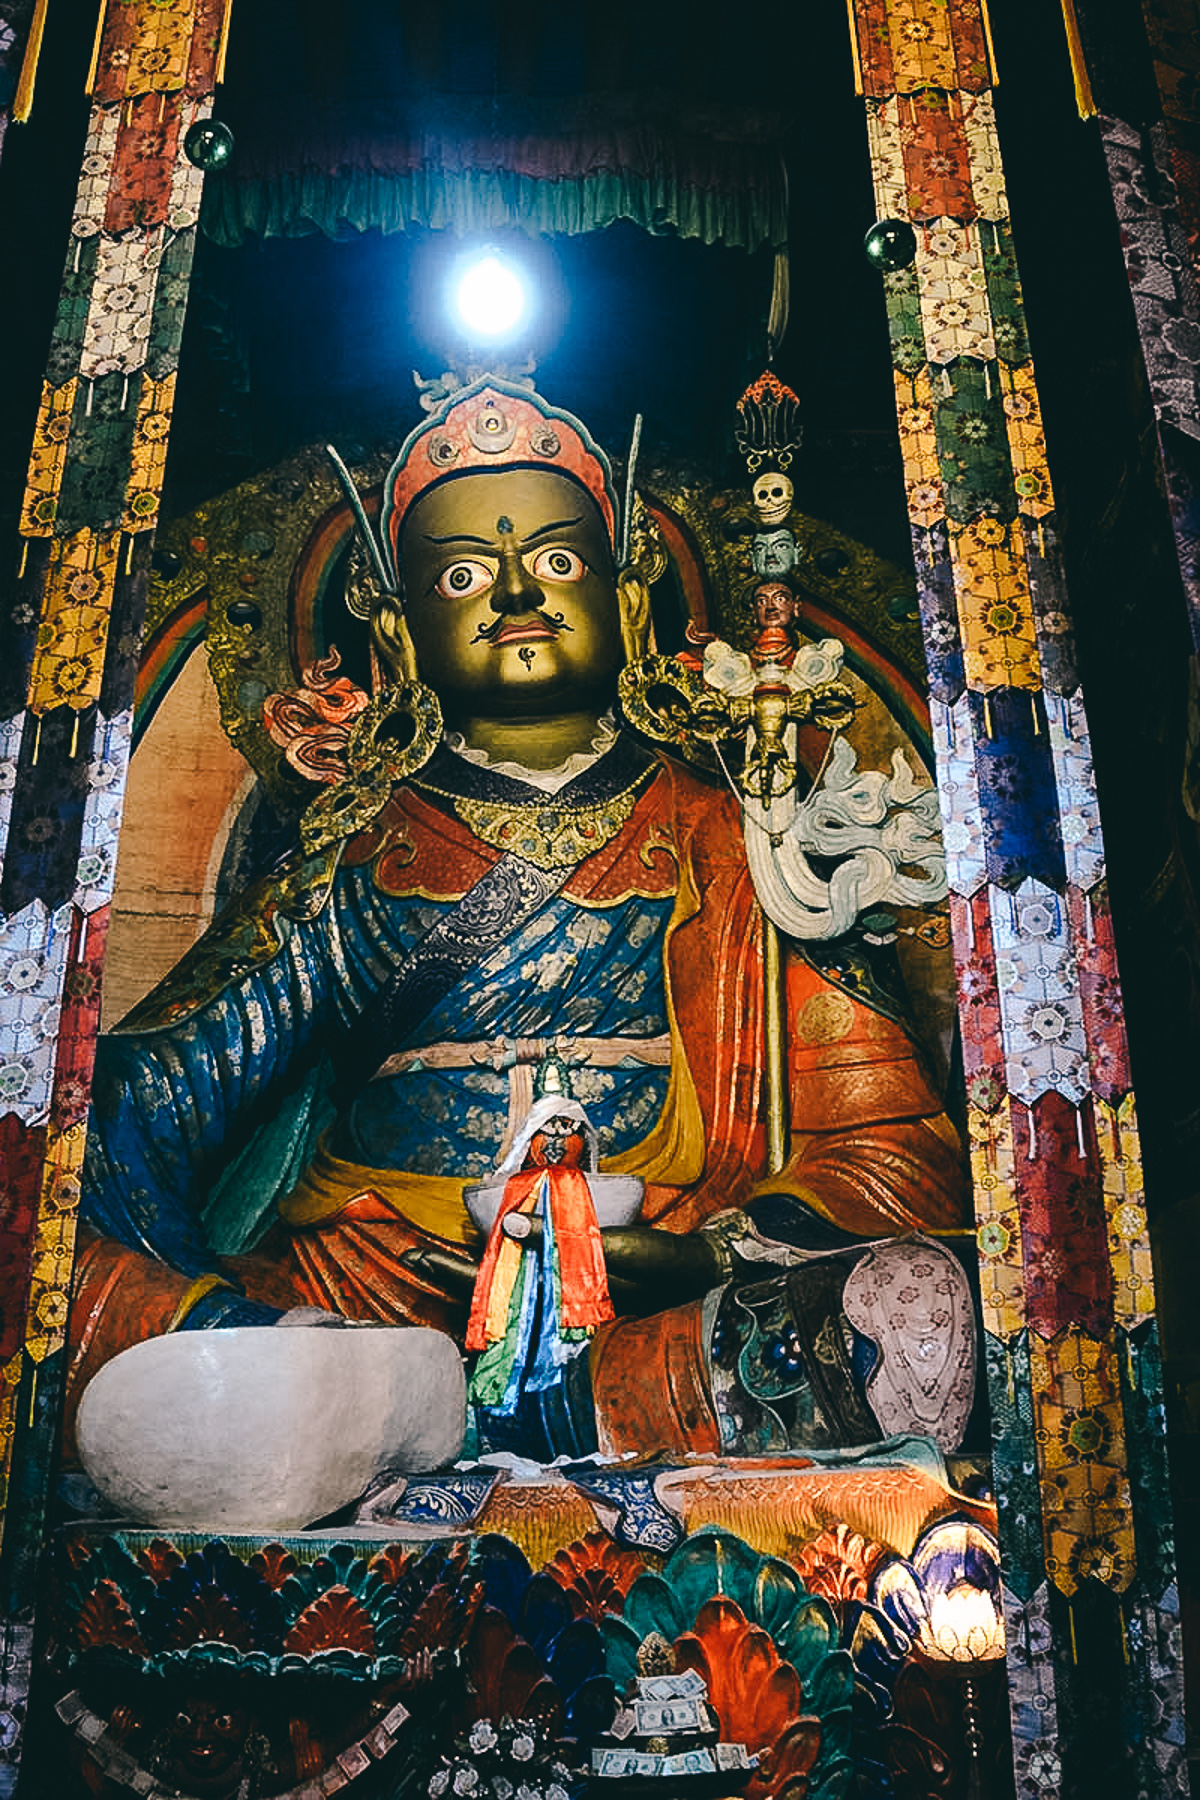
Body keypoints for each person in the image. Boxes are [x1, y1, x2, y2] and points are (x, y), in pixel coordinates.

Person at [69, 377, 971, 1465]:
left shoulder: (734, 837)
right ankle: (359, 1396)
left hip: (661, 1309)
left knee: (928, 1306)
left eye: (554, 560)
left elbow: (890, 1151)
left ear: (629, 602)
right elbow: (146, 1105)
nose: (512, 595)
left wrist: (703, 1257)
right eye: (461, 575)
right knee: (44, 1215)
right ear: (399, 634)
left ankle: (531, 1419)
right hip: (372, 1305)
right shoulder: (352, 857)